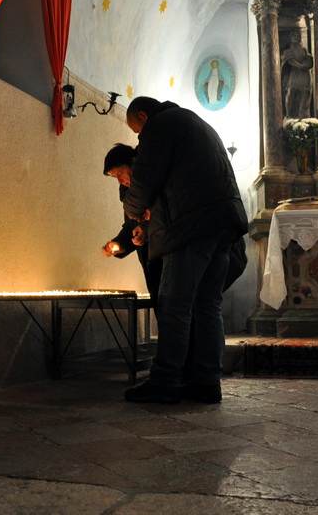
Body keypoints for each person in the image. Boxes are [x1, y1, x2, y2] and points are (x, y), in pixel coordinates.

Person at [121, 97, 248, 404]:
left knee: (174, 304)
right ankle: (206, 382)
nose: (139, 137)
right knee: (207, 305)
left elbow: (146, 178)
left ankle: (165, 380)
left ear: (143, 116)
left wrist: (132, 210)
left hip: (191, 226)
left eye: (137, 130)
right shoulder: (197, 123)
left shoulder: (161, 125)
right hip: (223, 224)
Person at [100, 143, 162, 304]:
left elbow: (168, 215)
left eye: (120, 173)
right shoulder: (129, 197)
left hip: (171, 258)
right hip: (151, 263)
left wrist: (148, 229)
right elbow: (131, 227)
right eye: (115, 177)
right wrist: (119, 244)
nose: (120, 181)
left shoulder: (156, 184)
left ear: (134, 162)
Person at [281, 30, 314, 120]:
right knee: (291, 91)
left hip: (304, 74)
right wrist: (301, 66)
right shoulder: (288, 51)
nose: (296, 38)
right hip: (295, 73)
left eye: (298, 36)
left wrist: (307, 64)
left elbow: (309, 58)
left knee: (305, 93)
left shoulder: (304, 50)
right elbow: (290, 60)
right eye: (294, 36)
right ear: (290, 39)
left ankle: (302, 113)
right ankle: (288, 114)